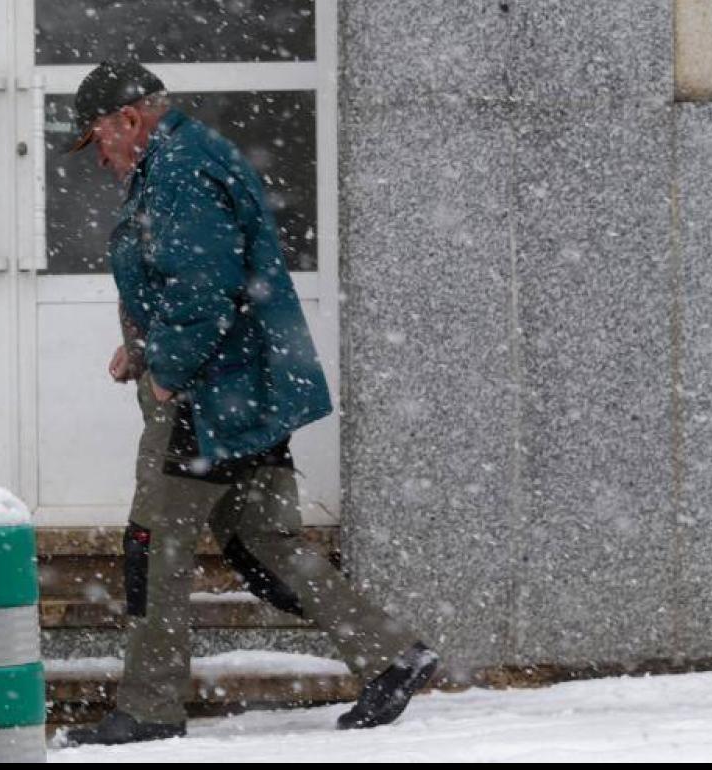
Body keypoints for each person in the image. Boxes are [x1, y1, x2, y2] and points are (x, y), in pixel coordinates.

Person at [59, 60, 440, 747]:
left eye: (98, 139)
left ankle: (148, 708)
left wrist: (168, 372)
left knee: (156, 547)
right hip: (246, 390)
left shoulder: (178, 169)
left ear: (130, 120)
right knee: (267, 540)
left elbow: (202, 288)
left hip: (210, 400)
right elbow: (188, 281)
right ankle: (391, 656)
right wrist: (144, 349)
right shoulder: (185, 158)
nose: (99, 156)